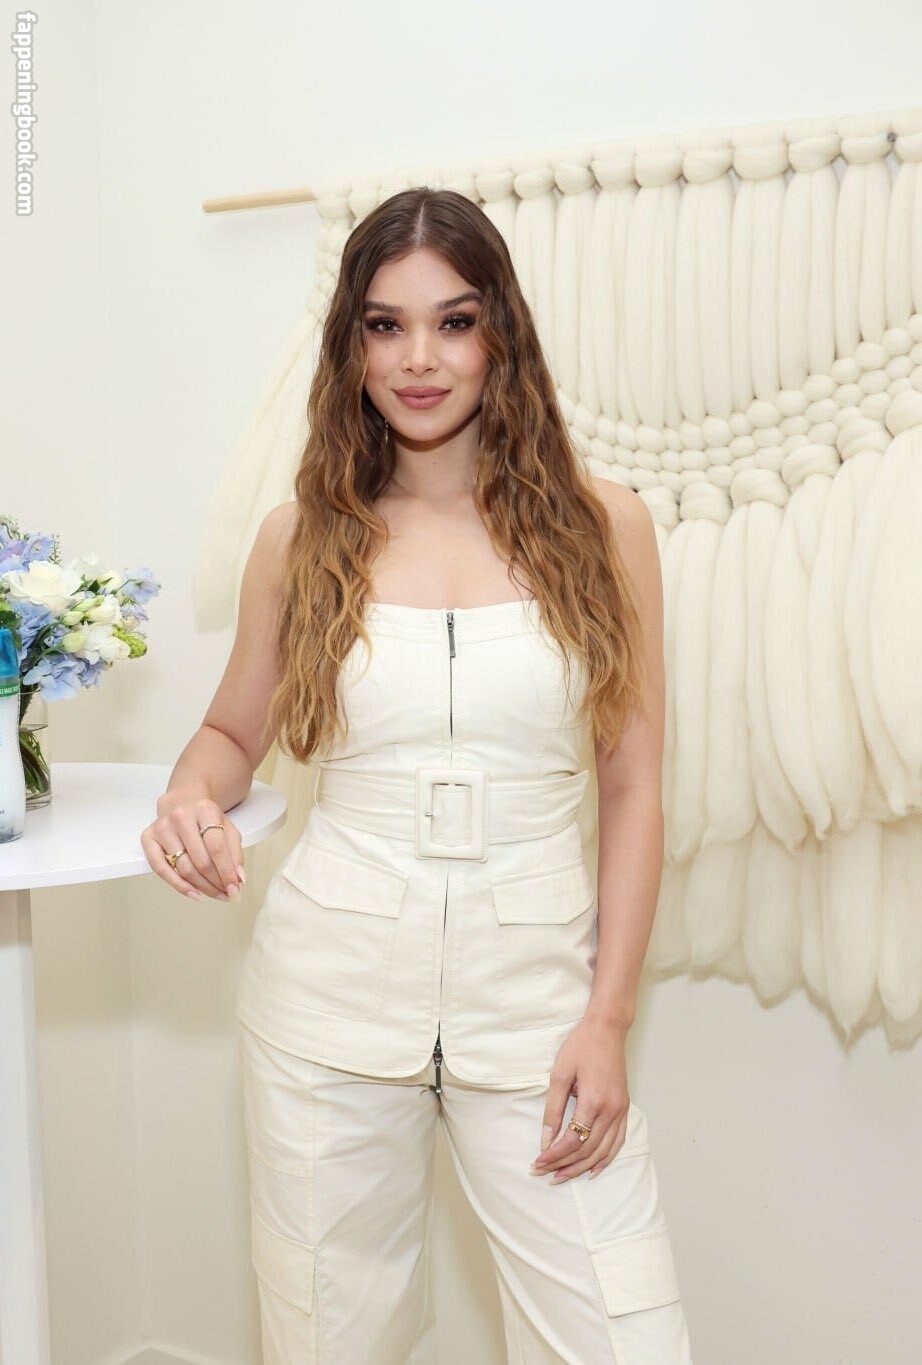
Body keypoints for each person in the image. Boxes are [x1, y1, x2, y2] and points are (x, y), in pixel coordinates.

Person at [141, 187, 694, 1364]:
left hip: (537, 1008)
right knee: (326, 1340)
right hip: (325, 1005)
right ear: (351, 345)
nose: (419, 360)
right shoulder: (301, 537)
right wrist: (189, 793)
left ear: (502, 333)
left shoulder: (607, 529)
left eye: (453, 321)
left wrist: (607, 1018)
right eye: (385, 326)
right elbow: (232, 732)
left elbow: (633, 786)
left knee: (623, 1336)